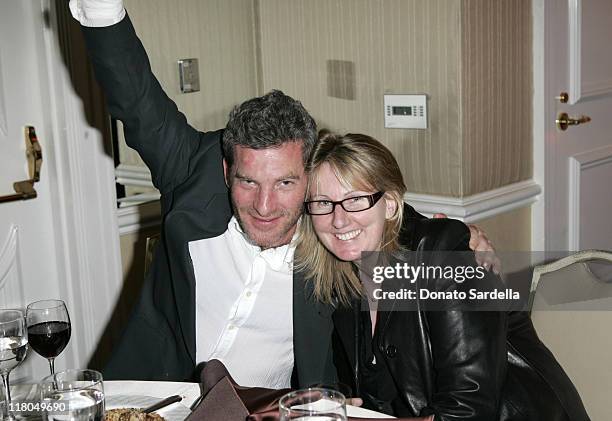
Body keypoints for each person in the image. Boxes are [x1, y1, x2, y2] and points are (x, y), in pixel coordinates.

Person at [69, 0, 495, 388]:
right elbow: (137, 100)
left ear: (309, 178)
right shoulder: (192, 171)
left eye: (286, 183)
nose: (265, 206)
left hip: (263, 411)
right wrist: (102, 9)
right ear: (225, 170)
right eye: (247, 182)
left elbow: (369, 203)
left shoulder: (331, 233)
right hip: (148, 395)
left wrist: (457, 237)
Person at [295, 132, 590, 420]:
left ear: (390, 205)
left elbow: (469, 406)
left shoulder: (443, 256)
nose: (338, 219)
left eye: (356, 199)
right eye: (323, 203)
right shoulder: (344, 283)